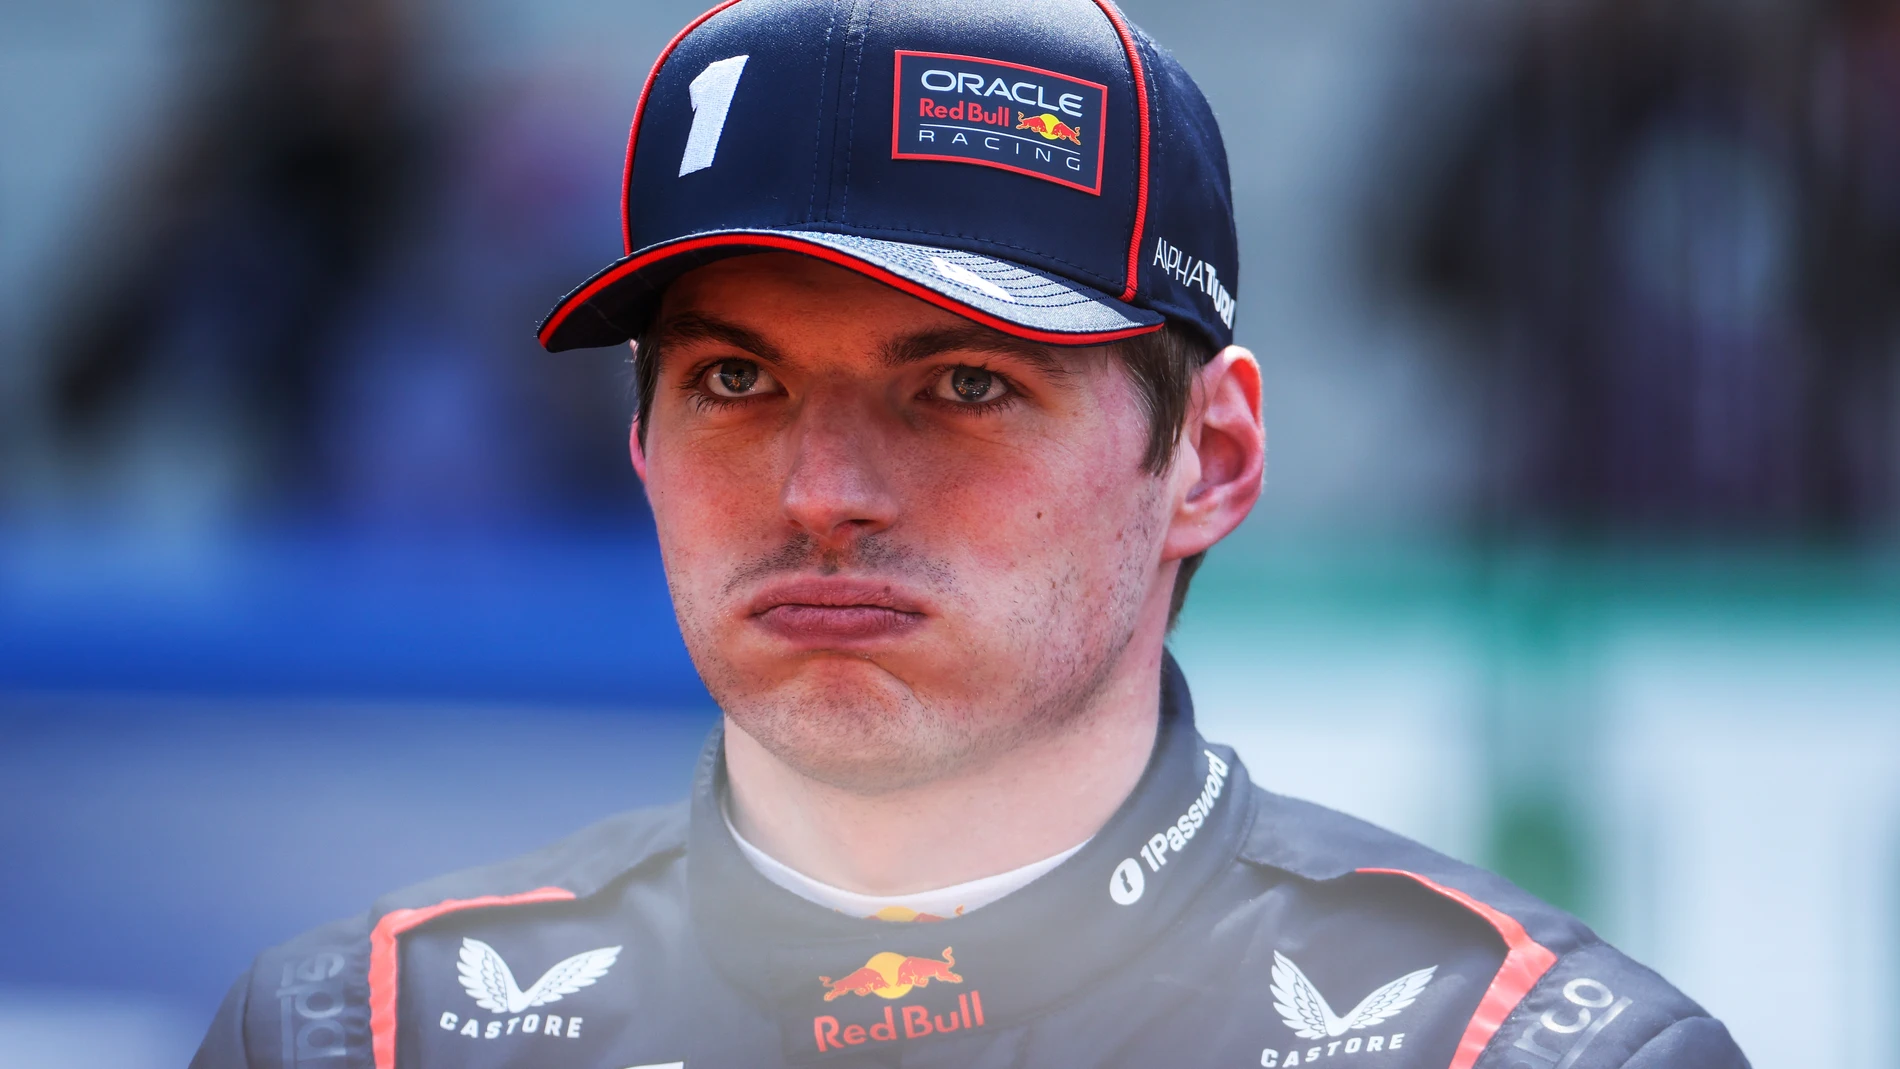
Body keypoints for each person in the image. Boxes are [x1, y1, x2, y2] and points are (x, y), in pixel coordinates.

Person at [189, 2, 1750, 1067]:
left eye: (964, 386)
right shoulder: (364, 1035)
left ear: (1209, 459)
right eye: (736, 380)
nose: (823, 491)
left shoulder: (1521, 1051)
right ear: (642, 447)